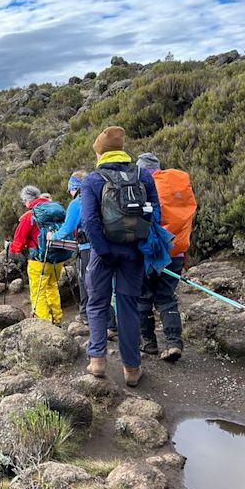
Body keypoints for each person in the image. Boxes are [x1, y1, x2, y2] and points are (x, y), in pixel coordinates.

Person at [81, 126, 160, 387]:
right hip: (134, 252)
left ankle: (98, 361)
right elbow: (154, 213)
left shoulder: (92, 179)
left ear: (100, 153)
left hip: (103, 253)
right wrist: (141, 242)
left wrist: (102, 252)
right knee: (129, 307)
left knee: (97, 303)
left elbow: (90, 221)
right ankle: (132, 368)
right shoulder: (143, 175)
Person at [135, 152, 197, 362]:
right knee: (166, 298)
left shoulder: (143, 186)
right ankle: (173, 343)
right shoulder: (177, 186)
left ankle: (149, 343)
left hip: (150, 253)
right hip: (176, 253)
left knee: (143, 297)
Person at [7, 186, 65, 324]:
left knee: (38, 292)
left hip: (38, 260)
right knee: (52, 287)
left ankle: (44, 323)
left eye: (23, 201)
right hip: (58, 258)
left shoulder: (29, 216)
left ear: (27, 200)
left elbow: (18, 243)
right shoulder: (56, 211)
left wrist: (10, 247)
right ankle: (57, 319)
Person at [49, 171, 89, 323]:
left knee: (86, 281)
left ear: (76, 187)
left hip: (87, 248)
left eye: (70, 188)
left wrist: (53, 236)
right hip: (107, 246)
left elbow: (67, 229)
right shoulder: (99, 197)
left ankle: (87, 315)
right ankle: (111, 321)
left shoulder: (77, 202)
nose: (69, 192)